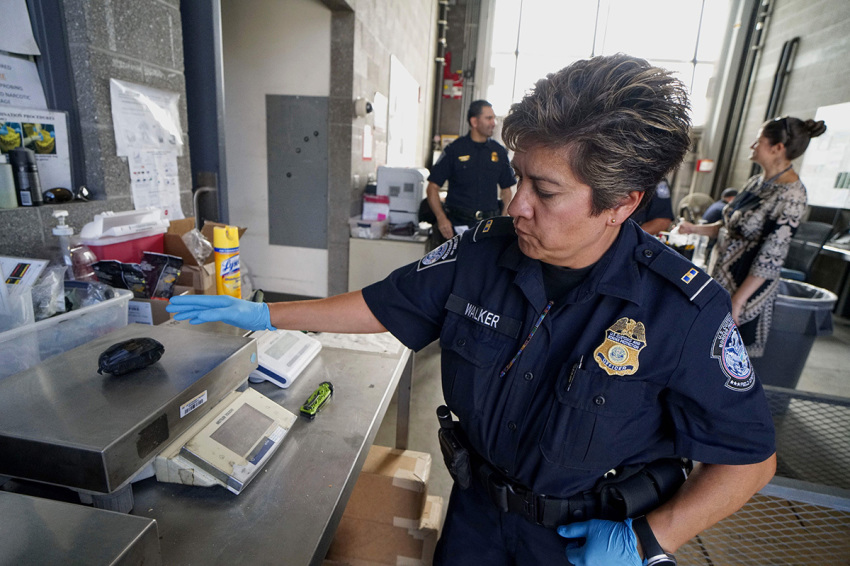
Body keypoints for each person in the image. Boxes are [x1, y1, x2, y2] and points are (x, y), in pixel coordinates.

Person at [168, 54, 776, 566]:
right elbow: (383, 306)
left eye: (546, 190)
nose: (517, 206)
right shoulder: (482, 255)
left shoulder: (682, 310)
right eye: (518, 181)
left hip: (584, 542)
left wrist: (646, 540)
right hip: (476, 522)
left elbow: (748, 461)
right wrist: (265, 315)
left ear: (622, 202)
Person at [679, 116, 827, 357]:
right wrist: (694, 228)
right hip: (720, 281)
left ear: (777, 148)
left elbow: (771, 258)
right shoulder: (756, 183)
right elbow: (729, 227)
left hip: (744, 295)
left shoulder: (792, 196)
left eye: (758, 141)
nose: (752, 146)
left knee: (725, 362)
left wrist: (737, 303)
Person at [426, 100, 517, 241]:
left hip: (488, 227)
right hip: (457, 226)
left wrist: (502, 220)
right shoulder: (454, 150)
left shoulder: (499, 152)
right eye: (489, 118)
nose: (494, 123)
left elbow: (506, 191)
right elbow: (432, 187)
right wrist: (442, 219)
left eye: (493, 118)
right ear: (474, 122)